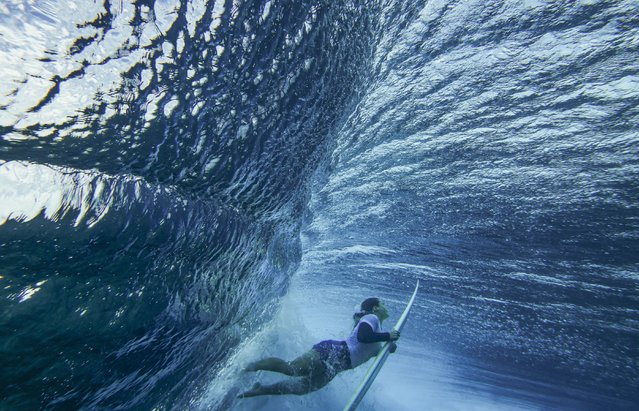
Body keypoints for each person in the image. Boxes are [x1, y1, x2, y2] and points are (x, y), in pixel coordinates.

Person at [238, 297, 400, 398]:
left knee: (300, 388)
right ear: (375, 308)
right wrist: (388, 336)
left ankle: (261, 389)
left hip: (337, 367)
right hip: (331, 352)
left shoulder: (377, 332)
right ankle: (251, 365)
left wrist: (387, 348)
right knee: (291, 369)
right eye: (383, 303)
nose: (386, 306)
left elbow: (370, 348)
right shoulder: (371, 318)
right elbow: (362, 337)